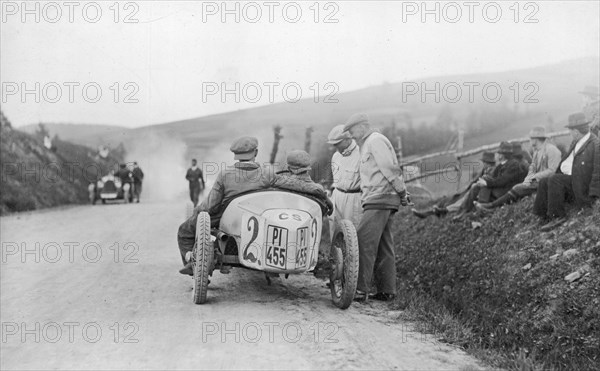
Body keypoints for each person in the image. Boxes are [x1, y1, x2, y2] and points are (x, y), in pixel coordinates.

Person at [177, 137, 276, 275]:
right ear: (256, 153)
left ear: (235, 155)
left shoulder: (225, 174)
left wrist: (197, 211)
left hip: (229, 219)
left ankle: (192, 262)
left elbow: (211, 205)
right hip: (259, 219)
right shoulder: (268, 173)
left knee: (184, 231)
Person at [343, 113, 409, 302]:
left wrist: (402, 192)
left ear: (363, 127)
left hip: (380, 198)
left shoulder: (375, 141)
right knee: (383, 245)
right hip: (382, 198)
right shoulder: (371, 142)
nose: (351, 135)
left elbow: (389, 168)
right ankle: (386, 290)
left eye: (353, 131)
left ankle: (360, 289)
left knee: (363, 241)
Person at [533, 112, 600, 231]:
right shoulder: (576, 142)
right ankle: (542, 215)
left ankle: (558, 216)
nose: (570, 133)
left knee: (555, 179)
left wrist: (593, 196)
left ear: (575, 131)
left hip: (582, 186)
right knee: (544, 181)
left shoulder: (595, 144)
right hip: (572, 181)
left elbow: (597, 171)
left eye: (570, 130)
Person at [475, 127, 562, 212]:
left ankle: (491, 207)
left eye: (531, 139)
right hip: (539, 181)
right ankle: (490, 206)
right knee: (518, 187)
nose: (530, 141)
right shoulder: (537, 151)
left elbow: (552, 171)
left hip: (549, 182)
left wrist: (535, 176)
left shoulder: (552, 150)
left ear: (535, 140)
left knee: (518, 187)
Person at [412, 152, 496, 219]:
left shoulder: (493, 170)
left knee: (460, 199)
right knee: (452, 197)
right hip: (472, 188)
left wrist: (472, 186)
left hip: (479, 192)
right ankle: (432, 211)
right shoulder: (484, 169)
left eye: (485, 162)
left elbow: (487, 183)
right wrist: (467, 187)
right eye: (484, 162)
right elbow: (475, 180)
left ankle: (437, 212)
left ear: (490, 163)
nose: (484, 164)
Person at [453, 142, 523, 219]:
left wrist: (486, 183)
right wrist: (484, 180)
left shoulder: (514, 165)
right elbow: (494, 178)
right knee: (476, 186)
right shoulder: (501, 165)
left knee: (485, 185)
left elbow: (503, 181)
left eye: (499, 153)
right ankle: (463, 211)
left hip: (507, 192)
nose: (497, 155)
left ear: (503, 155)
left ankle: (481, 208)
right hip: (500, 188)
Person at [327, 125, 362, 229]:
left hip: (354, 200)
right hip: (337, 198)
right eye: (334, 144)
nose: (335, 147)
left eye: (338, 143)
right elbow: (335, 179)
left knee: (353, 234)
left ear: (348, 139)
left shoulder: (361, 153)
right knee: (335, 231)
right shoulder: (336, 156)